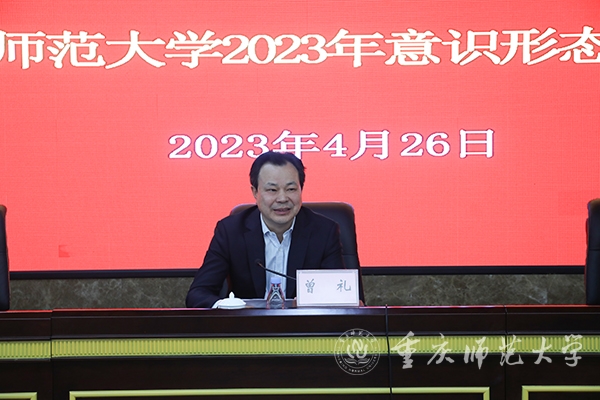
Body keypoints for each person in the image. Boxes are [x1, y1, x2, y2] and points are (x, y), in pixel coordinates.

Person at [186, 151, 346, 308]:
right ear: (255, 192)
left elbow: (342, 294)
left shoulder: (324, 232)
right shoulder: (231, 231)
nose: (282, 198)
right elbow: (198, 294)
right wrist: (230, 307)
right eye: (272, 190)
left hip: (304, 323)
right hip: (248, 323)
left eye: (291, 189)